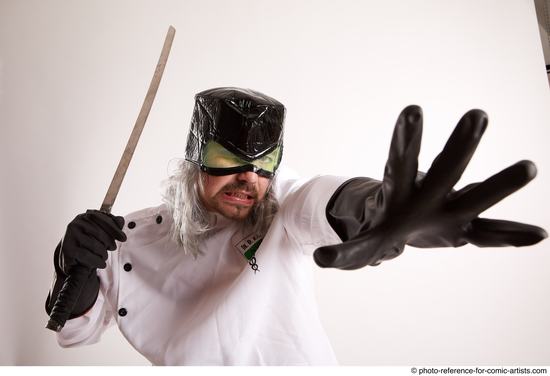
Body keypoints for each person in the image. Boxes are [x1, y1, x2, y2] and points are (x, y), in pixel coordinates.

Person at [46, 87, 547, 365]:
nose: (249, 179)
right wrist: (75, 265)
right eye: (228, 158)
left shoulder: (281, 208)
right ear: (194, 158)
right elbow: (74, 332)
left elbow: (326, 200)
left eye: (265, 163)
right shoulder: (126, 236)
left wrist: (380, 206)